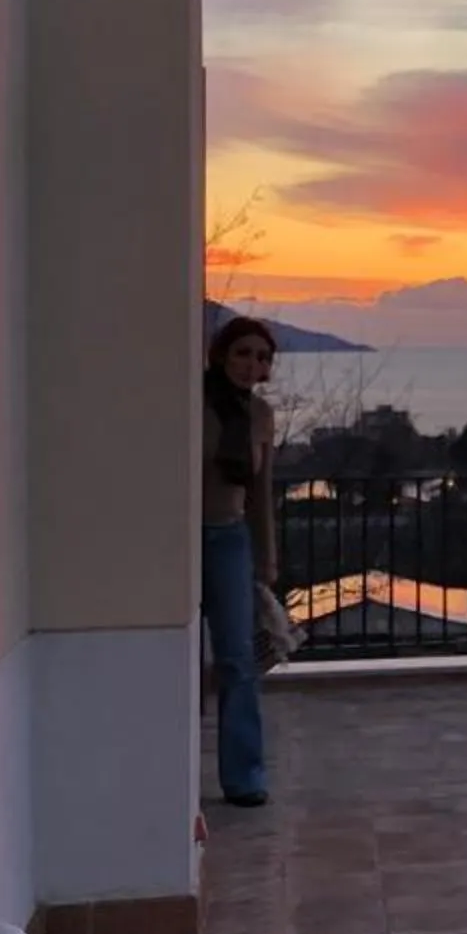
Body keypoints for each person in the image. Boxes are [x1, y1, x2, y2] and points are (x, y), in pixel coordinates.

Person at [201, 314, 280, 806]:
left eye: (262, 357)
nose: (252, 365)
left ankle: (244, 777)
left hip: (229, 540)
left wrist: (267, 558)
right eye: (243, 353)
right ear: (221, 355)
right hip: (180, 538)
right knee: (178, 659)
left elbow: (261, 492)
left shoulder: (261, 416)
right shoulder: (192, 403)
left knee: (237, 660)